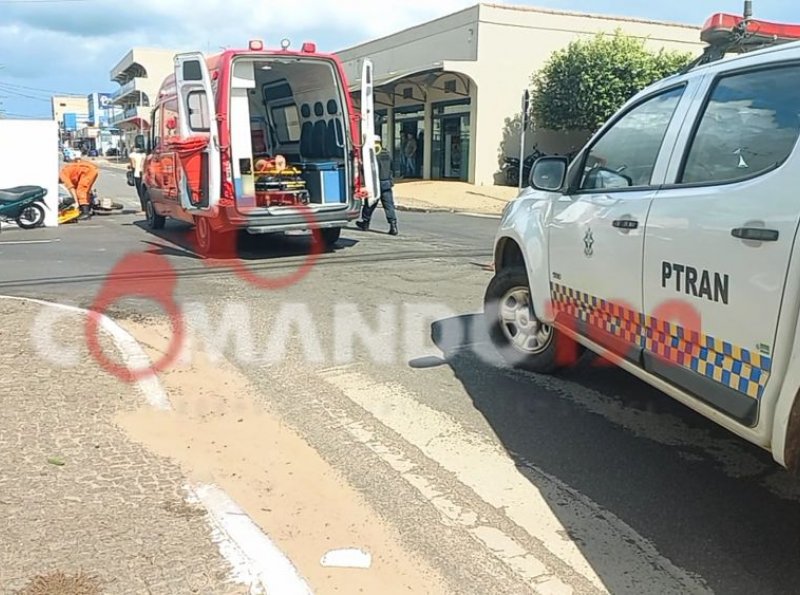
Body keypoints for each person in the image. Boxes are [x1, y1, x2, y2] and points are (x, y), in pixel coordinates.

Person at [356, 141, 398, 236]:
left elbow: (365, 169)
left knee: (370, 203)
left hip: (375, 183)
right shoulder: (387, 153)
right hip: (386, 182)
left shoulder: (371, 154)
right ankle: (393, 226)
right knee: (389, 205)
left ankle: (365, 223)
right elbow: (392, 168)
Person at [128, 143, 146, 212]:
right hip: (144, 174)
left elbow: (133, 166)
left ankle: (143, 208)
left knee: (140, 192)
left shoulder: (132, 155)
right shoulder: (144, 155)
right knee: (144, 191)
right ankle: (146, 207)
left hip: (137, 174)